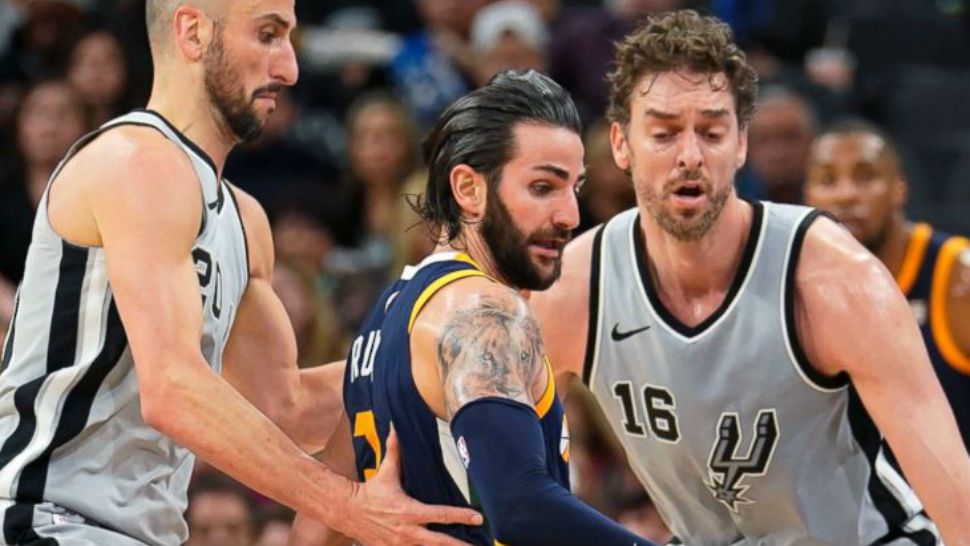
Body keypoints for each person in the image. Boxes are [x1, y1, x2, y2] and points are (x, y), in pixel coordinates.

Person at [0, 1, 481, 545]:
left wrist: (421, 356)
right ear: (192, 32)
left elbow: (288, 411)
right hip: (45, 519)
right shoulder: (135, 161)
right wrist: (349, 507)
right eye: (268, 35)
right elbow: (174, 388)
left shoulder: (244, 219)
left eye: (290, 39)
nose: (290, 68)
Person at [529, 10, 970, 545]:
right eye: (665, 133)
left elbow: (958, 501)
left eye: (711, 132)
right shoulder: (575, 286)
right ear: (621, 144)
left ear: (740, 143)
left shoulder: (834, 278)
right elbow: (465, 441)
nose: (690, 155)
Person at [289, 69, 654, 546]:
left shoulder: (388, 313)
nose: (569, 216)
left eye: (574, 189)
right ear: (468, 189)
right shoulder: (484, 311)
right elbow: (521, 506)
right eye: (543, 187)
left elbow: (314, 530)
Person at [803, 118, 970, 451]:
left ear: (899, 189)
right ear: (807, 195)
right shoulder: (794, 283)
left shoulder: (955, 277)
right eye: (828, 180)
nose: (846, 195)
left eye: (865, 177)